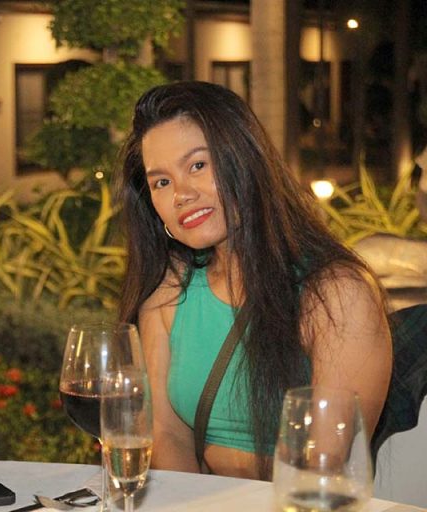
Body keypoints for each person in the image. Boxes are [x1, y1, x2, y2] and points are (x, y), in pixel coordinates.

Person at [117, 81, 392, 480]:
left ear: (245, 160)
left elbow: (324, 464)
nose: (181, 194)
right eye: (161, 182)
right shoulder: (169, 293)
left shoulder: (336, 293)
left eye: (198, 165)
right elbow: (166, 434)